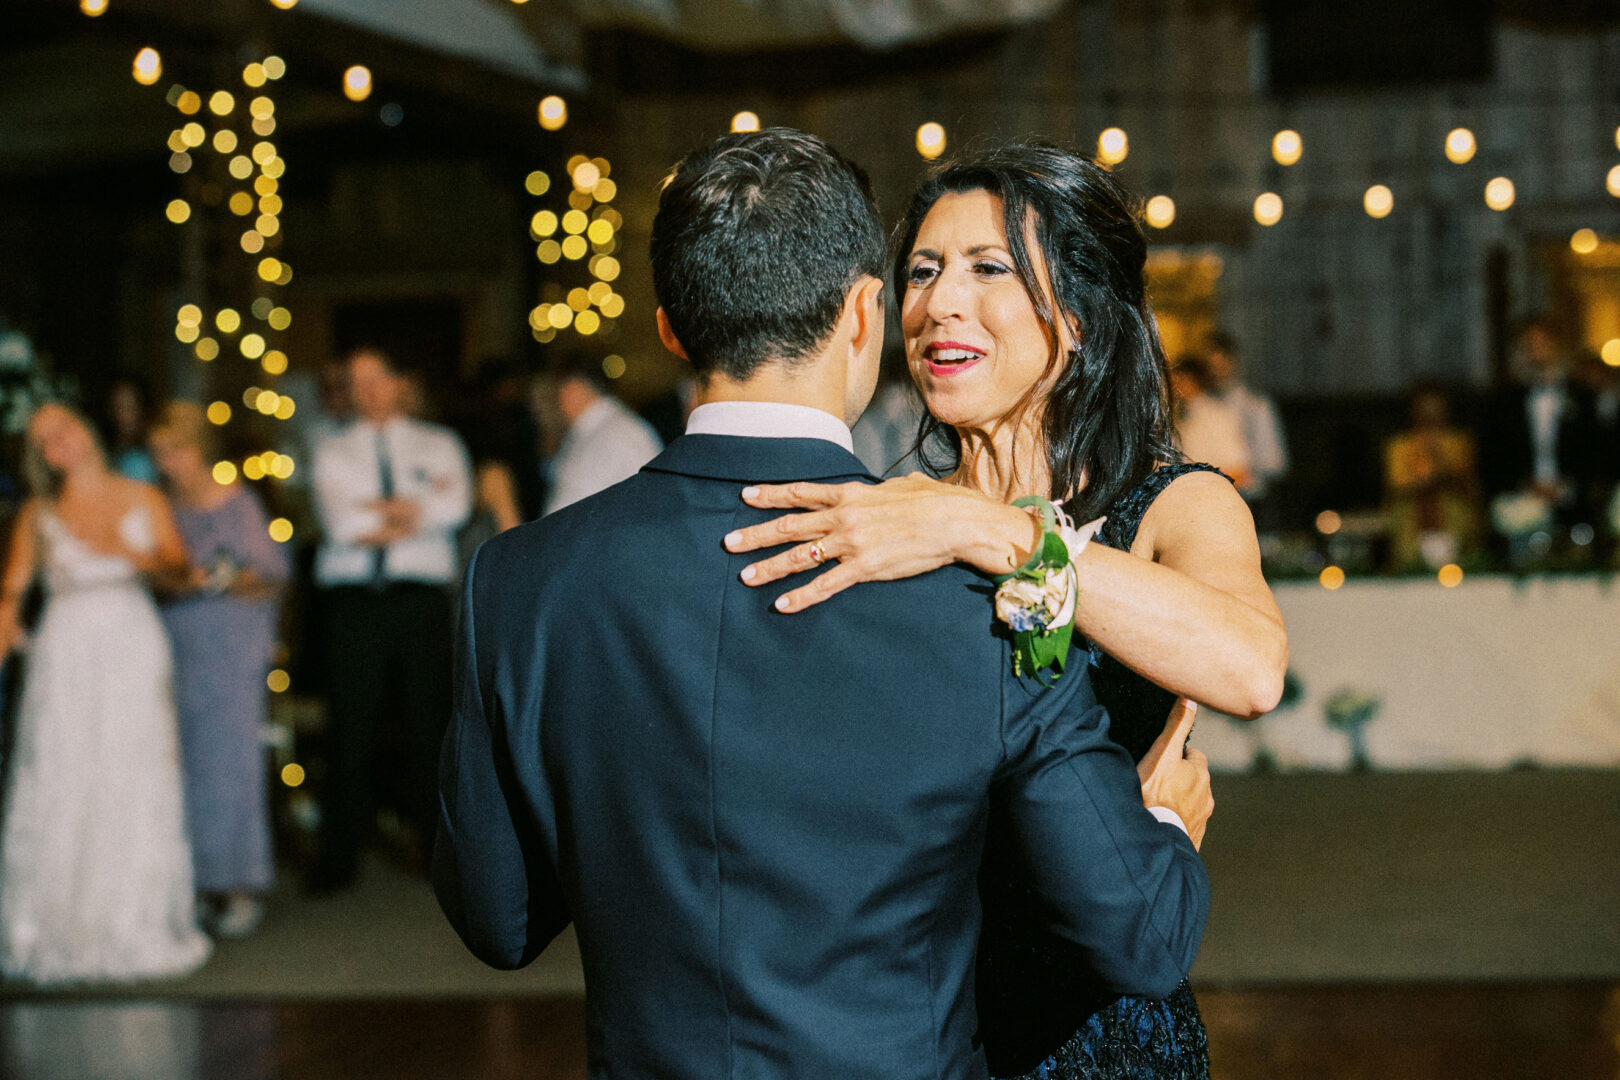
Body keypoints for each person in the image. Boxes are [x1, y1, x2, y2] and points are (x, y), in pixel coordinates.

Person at [434, 128, 1213, 1080]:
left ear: (672, 329)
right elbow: (1139, 936)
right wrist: (1165, 822)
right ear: (862, 315)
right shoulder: (989, 590)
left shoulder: (520, 580)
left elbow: (498, 921)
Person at [723, 144, 1288, 1079]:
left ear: (1077, 310)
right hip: (912, 1021)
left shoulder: (1176, 503)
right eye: (921, 272)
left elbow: (1250, 670)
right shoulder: (891, 516)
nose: (940, 302)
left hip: (1096, 1030)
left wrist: (1004, 536)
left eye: (989, 269)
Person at [0, 403, 210, 983]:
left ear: (85, 429)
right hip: (65, 653)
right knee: (62, 776)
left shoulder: (142, 496)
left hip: (130, 648)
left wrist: (134, 554)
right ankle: (52, 930)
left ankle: (131, 923)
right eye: (42, 439)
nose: (55, 442)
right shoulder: (38, 513)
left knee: (131, 776)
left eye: (62, 427)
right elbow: (10, 593)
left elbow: (180, 570)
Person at [310, 348, 471, 891]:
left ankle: (437, 857)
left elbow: (456, 509)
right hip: (354, 603)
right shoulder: (332, 450)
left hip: (419, 599)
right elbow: (339, 524)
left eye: (378, 378)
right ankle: (339, 860)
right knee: (349, 730)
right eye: (357, 382)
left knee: (431, 728)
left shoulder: (439, 444)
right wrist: (417, 507)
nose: (369, 390)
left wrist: (384, 511)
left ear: (398, 383)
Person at [150, 402, 289, 936]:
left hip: (231, 646)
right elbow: (151, 573)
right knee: (182, 765)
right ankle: (196, 883)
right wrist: (175, 582)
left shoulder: (240, 504)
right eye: (160, 452)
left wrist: (219, 580)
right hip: (176, 644)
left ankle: (237, 883)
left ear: (197, 448)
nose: (167, 462)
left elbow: (273, 576)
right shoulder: (163, 507)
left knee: (231, 764)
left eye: (174, 450)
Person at [1480, 319, 1601, 535]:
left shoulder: (1583, 398)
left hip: (1574, 497)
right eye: (1529, 346)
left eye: (1544, 344)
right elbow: (1492, 458)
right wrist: (1526, 484)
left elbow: (1596, 452)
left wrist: (1566, 486)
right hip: (1520, 497)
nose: (1537, 353)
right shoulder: (1503, 403)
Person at [535, 352, 662, 515]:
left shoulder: (623, 432)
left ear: (574, 388)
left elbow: (652, 499)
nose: (556, 402)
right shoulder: (588, 431)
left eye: (558, 390)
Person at [1382, 382, 1480, 570]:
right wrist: (1423, 480)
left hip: (1452, 521)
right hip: (1412, 525)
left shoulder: (1458, 442)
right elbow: (1395, 485)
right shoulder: (1400, 445)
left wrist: (1441, 466)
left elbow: (1467, 482)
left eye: (1436, 404)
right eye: (1424, 404)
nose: (1430, 411)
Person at [1204, 331, 1288, 502]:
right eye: (1212, 368)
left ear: (1235, 363)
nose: (1217, 374)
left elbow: (1274, 462)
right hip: (1210, 499)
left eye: (1222, 366)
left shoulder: (1256, 406)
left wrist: (1241, 472)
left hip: (1249, 499)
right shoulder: (1201, 408)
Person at [1170, 354, 1250, 490]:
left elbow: (1239, 472)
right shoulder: (1179, 416)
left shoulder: (1215, 416)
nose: (1172, 385)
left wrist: (1194, 484)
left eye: (1178, 378)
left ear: (1191, 380)